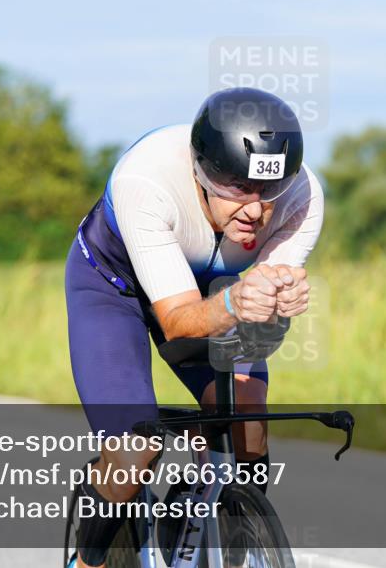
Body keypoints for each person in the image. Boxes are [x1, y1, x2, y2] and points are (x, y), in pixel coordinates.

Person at [64, 87, 323, 567]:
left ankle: (218, 533)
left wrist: (278, 304)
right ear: (201, 171)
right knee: (134, 450)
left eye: (269, 189)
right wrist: (239, 299)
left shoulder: (303, 198)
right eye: (239, 189)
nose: (256, 210)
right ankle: (88, 559)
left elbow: (258, 316)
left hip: (213, 290)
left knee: (247, 419)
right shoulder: (147, 180)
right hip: (113, 289)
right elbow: (179, 321)